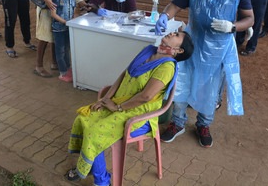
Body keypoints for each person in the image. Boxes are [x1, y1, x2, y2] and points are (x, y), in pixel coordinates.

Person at [65, 31, 194, 184]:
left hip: (139, 117)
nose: (172, 32)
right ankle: (91, 166)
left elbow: (145, 97)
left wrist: (117, 107)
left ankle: (102, 181)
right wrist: (107, 98)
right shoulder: (148, 51)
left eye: (177, 35)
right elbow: (124, 74)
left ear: (179, 50)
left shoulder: (166, 67)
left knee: (94, 132)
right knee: (84, 117)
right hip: (120, 104)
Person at [155, 0, 254, 148]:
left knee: (210, 88)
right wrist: (165, 15)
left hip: (218, 49)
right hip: (192, 44)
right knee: (183, 82)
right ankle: (178, 122)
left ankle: (203, 124)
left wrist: (233, 26)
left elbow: (250, 18)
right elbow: (175, 5)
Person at [33, 0, 87, 78]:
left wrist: (83, 3)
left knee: (55, 36)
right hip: (48, 9)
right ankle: (39, 66)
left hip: (60, 11)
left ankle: (54, 62)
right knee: (44, 37)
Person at [50, 0, 82, 82]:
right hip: (58, 28)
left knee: (67, 49)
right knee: (60, 51)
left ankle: (68, 69)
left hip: (68, 27)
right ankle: (62, 72)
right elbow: (53, 14)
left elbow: (73, 11)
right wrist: (65, 22)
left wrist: (73, 20)